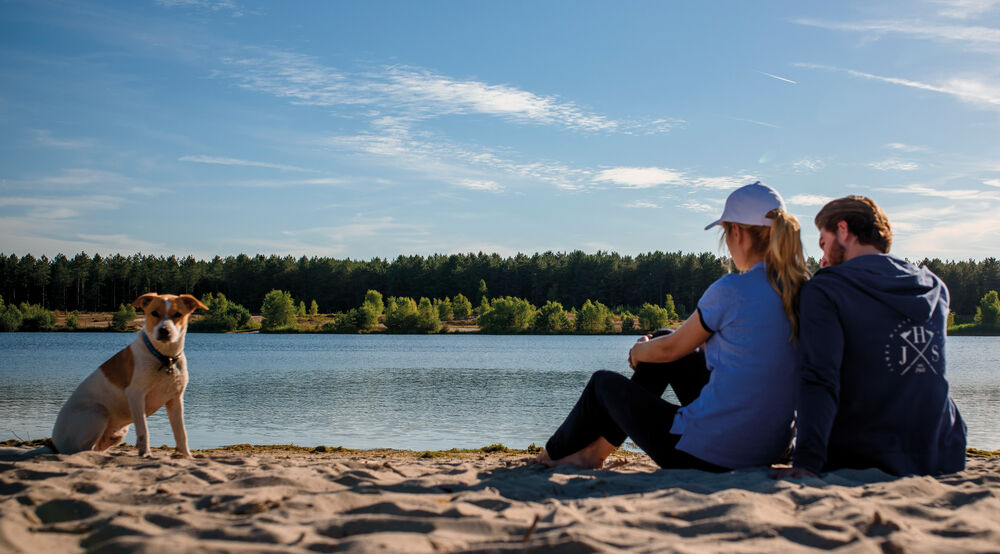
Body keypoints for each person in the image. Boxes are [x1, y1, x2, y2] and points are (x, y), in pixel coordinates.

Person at [536, 182, 811, 471]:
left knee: (602, 384)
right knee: (664, 337)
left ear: (738, 233)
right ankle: (595, 453)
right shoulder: (802, 289)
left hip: (709, 454)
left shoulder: (732, 289)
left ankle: (553, 453)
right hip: (770, 448)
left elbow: (671, 349)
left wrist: (640, 351)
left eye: (726, 235)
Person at [776, 196, 966, 479]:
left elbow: (819, 377)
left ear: (843, 230)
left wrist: (807, 463)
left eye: (824, 244)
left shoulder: (827, 289)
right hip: (942, 454)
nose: (823, 259)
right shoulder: (935, 287)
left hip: (863, 456)